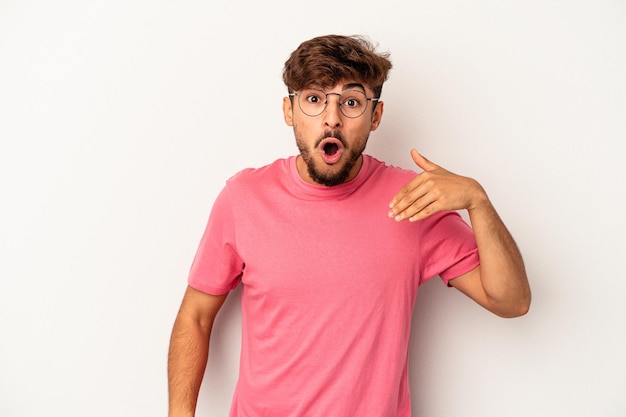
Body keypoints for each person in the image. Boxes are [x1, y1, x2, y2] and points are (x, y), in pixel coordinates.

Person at [167, 34, 531, 417]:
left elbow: (511, 301)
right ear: (289, 111)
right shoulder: (244, 199)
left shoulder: (415, 201)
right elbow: (196, 315)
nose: (331, 118)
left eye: (352, 102)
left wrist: (478, 201)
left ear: (375, 116)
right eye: (313, 99)